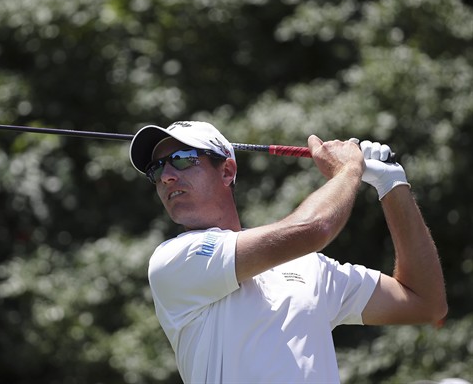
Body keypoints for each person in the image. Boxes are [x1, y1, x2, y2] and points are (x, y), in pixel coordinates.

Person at [129, 121, 447, 383]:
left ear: (227, 172)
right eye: (156, 170)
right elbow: (316, 228)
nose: (167, 176)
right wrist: (349, 169)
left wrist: (392, 185)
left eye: (183, 159)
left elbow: (426, 303)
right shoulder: (174, 260)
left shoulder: (310, 268)